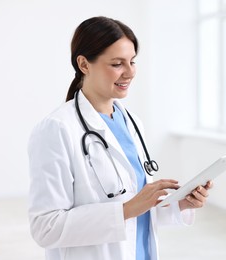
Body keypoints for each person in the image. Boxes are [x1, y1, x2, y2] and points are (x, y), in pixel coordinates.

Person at [27, 16, 213, 260]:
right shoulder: (57, 129)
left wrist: (181, 204)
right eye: (117, 64)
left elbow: (139, 212)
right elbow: (45, 228)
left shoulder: (132, 122)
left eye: (132, 61)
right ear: (84, 64)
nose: (129, 73)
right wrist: (125, 210)